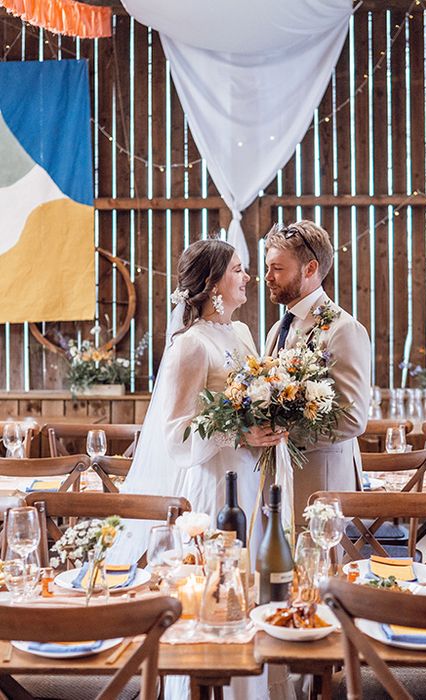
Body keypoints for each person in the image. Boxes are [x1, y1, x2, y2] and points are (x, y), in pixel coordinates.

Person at [114, 238, 292, 700]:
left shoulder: (243, 335)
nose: (248, 277)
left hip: (254, 480)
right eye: (238, 270)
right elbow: (175, 437)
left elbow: (252, 399)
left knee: (255, 592)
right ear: (213, 284)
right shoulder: (189, 347)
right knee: (220, 597)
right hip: (216, 484)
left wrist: (273, 419)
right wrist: (238, 434)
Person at [262, 220, 371, 516]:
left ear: (310, 269)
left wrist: (282, 435)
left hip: (322, 485)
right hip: (278, 483)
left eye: (278, 269)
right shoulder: (278, 328)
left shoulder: (343, 329)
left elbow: (353, 417)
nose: (268, 277)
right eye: (268, 267)